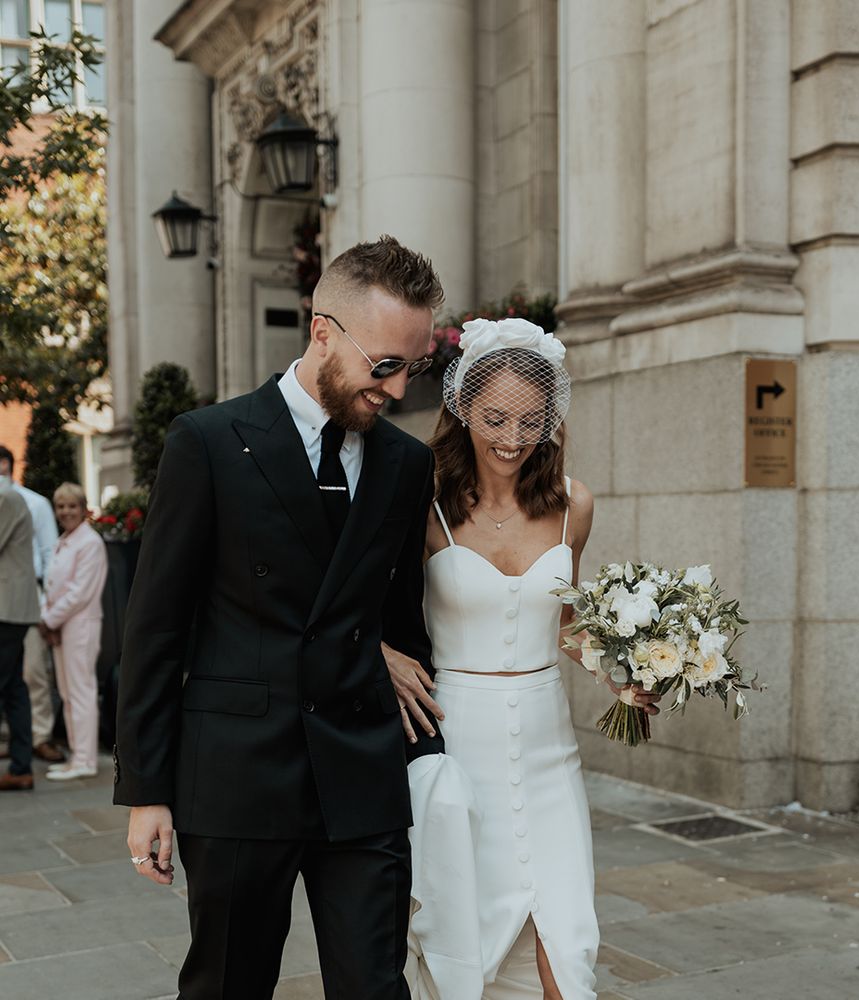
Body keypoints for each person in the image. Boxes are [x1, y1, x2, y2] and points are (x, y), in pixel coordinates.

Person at [113, 235, 445, 1000]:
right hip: (236, 776)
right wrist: (147, 791)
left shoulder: (405, 464)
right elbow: (155, 626)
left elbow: (403, 626)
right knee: (228, 986)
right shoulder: (208, 442)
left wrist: (396, 675)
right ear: (322, 331)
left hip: (361, 776)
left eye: (412, 368)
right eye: (384, 366)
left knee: (375, 987)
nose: (396, 392)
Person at [394, 318, 659, 1000]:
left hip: (549, 745)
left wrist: (623, 681)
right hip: (460, 741)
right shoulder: (424, 505)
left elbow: (566, 626)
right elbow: (373, 608)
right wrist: (385, 655)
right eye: (496, 418)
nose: (512, 438)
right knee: (467, 934)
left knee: (564, 931)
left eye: (531, 421)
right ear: (462, 409)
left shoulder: (574, 504)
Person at [38, 482, 109, 781]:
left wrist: (49, 620)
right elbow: (51, 586)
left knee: (81, 692)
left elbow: (80, 592)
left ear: (83, 509)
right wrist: (48, 618)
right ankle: (75, 757)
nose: (66, 511)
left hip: (81, 626)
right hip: (61, 626)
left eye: (71, 506)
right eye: (61, 506)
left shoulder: (90, 543)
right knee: (67, 693)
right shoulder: (63, 540)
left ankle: (85, 760)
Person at [0, 445, 63, 764]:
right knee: (14, 684)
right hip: (13, 603)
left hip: (17, 602)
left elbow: (50, 552)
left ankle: (36, 742)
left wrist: (49, 604)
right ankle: (20, 756)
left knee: (30, 676)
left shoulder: (19, 500)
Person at [0, 473, 40, 791]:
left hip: (7, 610)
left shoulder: (6, 498)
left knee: (10, 688)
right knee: (14, 688)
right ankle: (21, 766)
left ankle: (21, 765)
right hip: (12, 609)